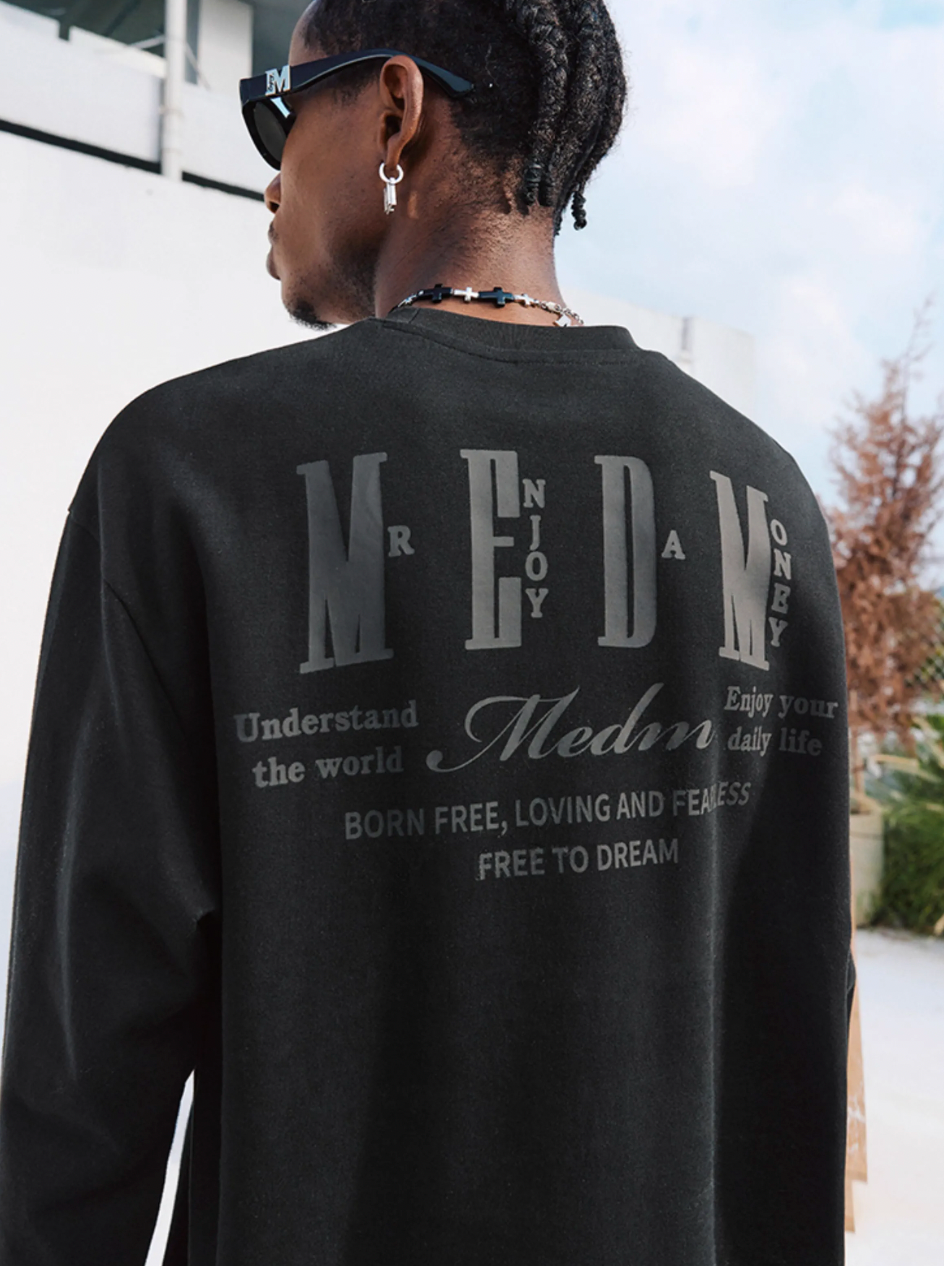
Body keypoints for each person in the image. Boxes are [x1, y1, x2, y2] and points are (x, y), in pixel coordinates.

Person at [0, 1, 856, 1262]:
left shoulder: (191, 472)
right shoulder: (764, 499)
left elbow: (87, 1059)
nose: (271, 175)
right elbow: (794, 1020)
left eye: (282, 115)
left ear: (394, 111)